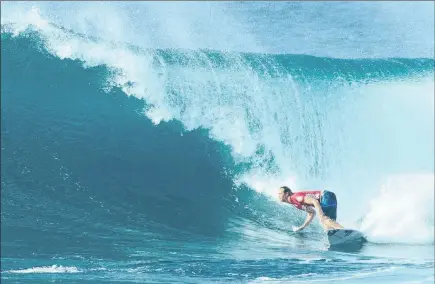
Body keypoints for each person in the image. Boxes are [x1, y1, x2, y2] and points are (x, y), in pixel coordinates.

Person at [278, 186, 344, 232]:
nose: (278, 195)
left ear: (286, 194)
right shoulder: (296, 204)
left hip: (326, 196)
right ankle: (343, 234)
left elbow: (314, 201)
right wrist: (302, 227)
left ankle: (345, 231)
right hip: (328, 197)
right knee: (328, 227)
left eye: (280, 193)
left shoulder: (296, 197)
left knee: (324, 220)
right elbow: (312, 213)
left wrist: (321, 216)